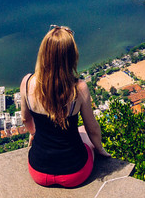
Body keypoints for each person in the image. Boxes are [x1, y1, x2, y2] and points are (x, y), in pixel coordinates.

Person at [20, 25, 109, 187]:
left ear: (43, 54)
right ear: (71, 56)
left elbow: (26, 119)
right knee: (82, 131)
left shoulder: (27, 83)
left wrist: (34, 133)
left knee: (76, 132)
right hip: (74, 173)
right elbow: (93, 129)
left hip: (38, 171)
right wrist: (100, 150)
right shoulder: (78, 88)